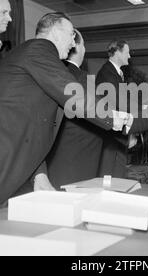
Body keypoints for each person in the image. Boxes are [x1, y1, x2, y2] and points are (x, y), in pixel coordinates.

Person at [0, 13, 129, 218]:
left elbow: (34, 123)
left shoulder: (38, 58)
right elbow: (73, 95)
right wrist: (113, 117)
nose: (73, 43)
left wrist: (39, 174)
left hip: (3, 154)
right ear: (55, 32)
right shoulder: (38, 48)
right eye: (71, 35)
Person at [46, 29, 103, 189]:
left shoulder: (52, 73)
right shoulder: (83, 79)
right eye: (83, 45)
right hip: (80, 156)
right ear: (76, 47)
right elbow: (99, 114)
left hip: (51, 153)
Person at [96, 39, 131, 178]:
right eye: (127, 53)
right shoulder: (107, 73)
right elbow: (120, 101)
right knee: (109, 172)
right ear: (117, 52)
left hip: (116, 130)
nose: (129, 56)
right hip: (110, 131)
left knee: (117, 171)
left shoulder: (115, 73)